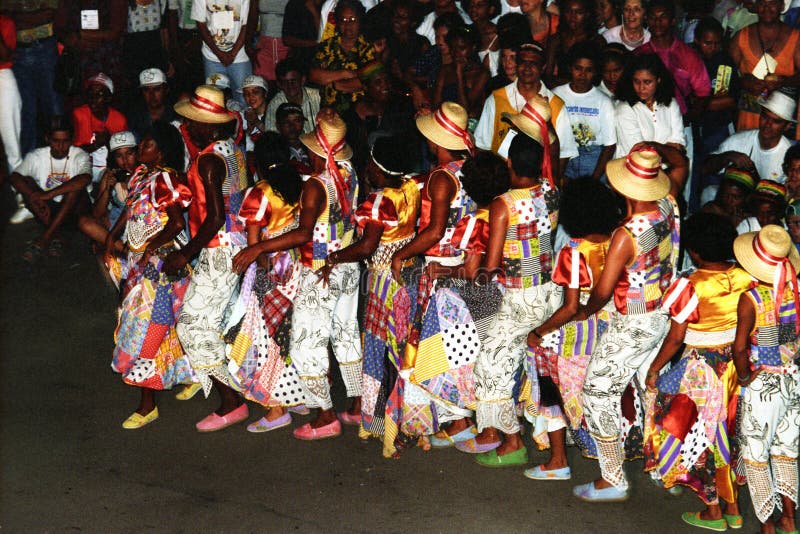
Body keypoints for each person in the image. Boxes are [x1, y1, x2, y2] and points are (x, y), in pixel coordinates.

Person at [232, 113, 363, 441]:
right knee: (346, 337)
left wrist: (257, 247)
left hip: (321, 271)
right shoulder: (350, 174)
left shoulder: (317, 186)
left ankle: (326, 415)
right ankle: (360, 404)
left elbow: (304, 233)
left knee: (307, 345)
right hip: (348, 266)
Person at [572, 146, 680, 502]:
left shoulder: (626, 235)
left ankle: (613, 477)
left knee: (597, 393)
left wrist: (585, 311)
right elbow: (681, 164)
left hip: (634, 324)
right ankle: (666, 467)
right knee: (651, 389)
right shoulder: (667, 205)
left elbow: (603, 291)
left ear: (622, 188)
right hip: (663, 313)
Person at [644, 213, 749, 531]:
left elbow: (676, 338)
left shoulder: (688, 285)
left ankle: (713, 510)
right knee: (726, 433)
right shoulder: (746, 277)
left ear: (696, 251)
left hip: (700, 371)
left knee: (695, 434)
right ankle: (733, 506)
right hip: (733, 366)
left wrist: (654, 369)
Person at [471, 104, 563, 467]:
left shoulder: (503, 204)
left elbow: (491, 265)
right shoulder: (552, 192)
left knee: (491, 365)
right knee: (526, 363)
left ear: (510, 165)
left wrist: (471, 280)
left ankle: (511, 440)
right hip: (549, 293)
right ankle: (515, 432)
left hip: (518, 298)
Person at [319, 134, 421, 456]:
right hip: (408, 274)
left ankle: (383, 426)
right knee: (403, 346)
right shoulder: (411, 189)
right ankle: (407, 422)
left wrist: (333, 258)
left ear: (376, 169)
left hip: (382, 282)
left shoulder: (378, 202)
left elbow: (367, 246)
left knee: (380, 350)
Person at [389, 102, 479, 445]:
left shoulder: (442, 177)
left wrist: (403, 252)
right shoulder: (470, 167)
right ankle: (457, 415)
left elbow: (436, 229)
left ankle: (457, 419)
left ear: (437, 141)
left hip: (443, 265)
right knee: (456, 343)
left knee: (438, 344)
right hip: (466, 263)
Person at [522, 177, 623, 480]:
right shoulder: (619, 242)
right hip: (611, 329)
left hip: (577, 333)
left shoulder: (573, 251)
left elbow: (570, 308)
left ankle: (557, 460)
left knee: (551, 385)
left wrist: (538, 332)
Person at [168, 85, 250, 431]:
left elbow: (215, 216)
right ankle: (235, 389)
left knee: (192, 325)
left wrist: (187, 252)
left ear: (207, 125)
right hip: (234, 242)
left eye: (192, 120)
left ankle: (231, 401)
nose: (187, 124)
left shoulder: (210, 160)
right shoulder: (232, 150)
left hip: (219, 247)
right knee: (213, 321)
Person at [108, 121, 195, 429]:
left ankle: (148, 406)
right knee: (164, 330)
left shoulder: (165, 179)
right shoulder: (141, 177)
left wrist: (151, 247)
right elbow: (131, 213)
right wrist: (113, 236)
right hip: (138, 263)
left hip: (160, 268)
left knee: (148, 334)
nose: (139, 150)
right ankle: (189, 374)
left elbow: (176, 224)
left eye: (147, 145)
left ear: (161, 152)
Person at [225, 132, 306, 433]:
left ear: (257, 162)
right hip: (295, 265)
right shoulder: (296, 182)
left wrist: (261, 281)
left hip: (271, 268)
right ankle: (295, 394)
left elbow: (255, 243)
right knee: (288, 332)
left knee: (265, 336)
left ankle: (276, 408)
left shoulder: (260, 193)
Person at [732, 224, 800, 534]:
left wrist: (745, 377)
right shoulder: (795, 289)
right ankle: (788, 518)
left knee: (756, 453)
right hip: (794, 378)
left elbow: (740, 347)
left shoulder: (752, 298)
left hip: (765, 385)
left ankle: (767, 526)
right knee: (786, 449)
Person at [473, 41, 578, 178]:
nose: (527, 68)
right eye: (523, 62)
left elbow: (563, 154)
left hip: (539, 185)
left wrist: (552, 188)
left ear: (543, 67)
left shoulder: (556, 105)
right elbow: (482, 146)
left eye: (533, 63)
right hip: (500, 181)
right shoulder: (496, 99)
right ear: (517, 65)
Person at [9, 116, 90, 262]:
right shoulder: (37, 155)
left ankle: (45, 237)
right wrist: (33, 194)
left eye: (65, 141)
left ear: (71, 140)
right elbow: (15, 177)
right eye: (56, 141)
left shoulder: (79, 154)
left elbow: (85, 179)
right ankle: (59, 236)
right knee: (26, 181)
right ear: (47, 139)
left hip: (75, 209)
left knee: (76, 187)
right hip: (47, 210)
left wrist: (49, 194)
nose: (60, 146)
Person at [691, 17, 741, 212]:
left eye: (717, 43)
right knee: (693, 174)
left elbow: (731, 99)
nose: (712, 48)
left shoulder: (725, 62)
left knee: (714, 176)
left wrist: (703, 104)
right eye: (707, 43)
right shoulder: (689, 59)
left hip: (717, 128)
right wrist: (710, 104)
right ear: (696, 40)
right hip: (693, 128)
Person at [729, 0, 800, 135]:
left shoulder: (796, 38)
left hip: (781, 116)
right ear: (756, 7)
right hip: (750, 113)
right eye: (762, 3)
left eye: (772, 3)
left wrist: (784, 82)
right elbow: (726, 77)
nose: (767, 8)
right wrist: (743, 82)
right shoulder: (741, 37)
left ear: (782, 6)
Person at [4, 0, 62, 156]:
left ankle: (60, 162)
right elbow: (4, 17)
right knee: (25, 113)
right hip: (16, 51)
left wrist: (17, 19)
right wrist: (32, 17)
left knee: (54, 108)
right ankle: (28, 167)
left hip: (45, 48)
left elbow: (49, 14)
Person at [553, 42, 617, 180]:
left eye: (588, 70)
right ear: (570, 68)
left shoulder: (603, 102)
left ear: (595, 72)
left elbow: (609, 146)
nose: (582, 75)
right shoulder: (556, 95)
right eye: (578, 68)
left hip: (593, 158)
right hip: (563, 156)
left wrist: (594, 180)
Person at [703, 91, 796, 186]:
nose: (768, 124)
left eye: (776, 121)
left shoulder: (789, 156)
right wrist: (726, 156)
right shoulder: (738, 140)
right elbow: (704, 169)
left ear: (787, 126)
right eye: (765, 116)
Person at [78, 131, 138, 260]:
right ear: (113, 158)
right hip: (115, 220)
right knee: (85, 222)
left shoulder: (144, 171)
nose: (125, 160)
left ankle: (108, 244)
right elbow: (97, 214)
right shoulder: (110, 174)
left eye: (129, 154)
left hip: (138, 220)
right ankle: (124, 250)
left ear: (137, 153)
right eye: (119, 156)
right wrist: (108, 190)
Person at [613, 53, 686, 158]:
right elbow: (638, 152)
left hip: (668, 170)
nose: (641, 88)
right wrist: (669, 150)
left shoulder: (671, 103)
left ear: (659, 80)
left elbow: (679, 143)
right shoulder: (624, 109)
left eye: (647, 82)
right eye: (636, 81)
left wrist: (656, 149)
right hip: (632, 171)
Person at [310, 0, 376, 114]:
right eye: (343, 20)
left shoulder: (370, 47)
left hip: (360, 114)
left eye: (353, 20)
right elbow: (314, 75)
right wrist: (345, 73)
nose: (348, 25)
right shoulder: (327, 46)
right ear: (337, 22)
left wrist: (334, 83)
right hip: (330, 114)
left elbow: (368, 83)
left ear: (360, 20)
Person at [71, 73, 130, 184]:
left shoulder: (118, 119)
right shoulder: (80, 115)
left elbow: (122, 154)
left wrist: (108, 141)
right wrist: (97, 144)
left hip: (107, 169)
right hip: (81, 169)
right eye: (90, 94)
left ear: (108, 98)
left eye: (99, 94)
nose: (93, 98)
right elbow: (75, 154)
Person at [192, 0, 253, 102]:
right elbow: (200, 24)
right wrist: (218, 53)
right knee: (214, 100)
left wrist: (233, 54)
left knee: (244, 99)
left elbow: (246, 25)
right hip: (211, 56)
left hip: (239, 55)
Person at [433, 25, 490, 122]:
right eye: (452, 48)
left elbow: (464, 110)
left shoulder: (481, 74)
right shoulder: (445, 71)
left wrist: (459, 76)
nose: (456, 53)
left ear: (473, 48)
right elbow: (436, 104)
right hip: (445, 121)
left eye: (461, 48)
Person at [543, 0, 604, 88]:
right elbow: (547, 75)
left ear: (587, 14)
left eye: (579, 12)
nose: (573, 16)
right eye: (568, 11)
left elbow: (598, 78)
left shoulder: (597, 41)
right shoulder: (556, 39)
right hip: (560, 89)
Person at [264, 59, 322, 134]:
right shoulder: (274, 105)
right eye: (285, 82)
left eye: (293, 81)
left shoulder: (318, 97)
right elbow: (271, 137)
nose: (289, 86)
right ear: (279, 84)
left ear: (302, 80)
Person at [127, 69, 177, 140]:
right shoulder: (135, 116)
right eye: (146, 90)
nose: (151, 95)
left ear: (166, 90)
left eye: (157, 89)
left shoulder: (175, 114)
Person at [253, 0, 290, 80]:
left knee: (286, 82)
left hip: (288, 45)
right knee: (263, 83)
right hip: (263, 44)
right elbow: (253, 15)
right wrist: (248, 45)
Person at [275, 103, 312, 171]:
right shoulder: (274, 152)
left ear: (303, 123)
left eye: (297, 121)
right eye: (286, 122)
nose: (292, 126)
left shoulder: (313, 148)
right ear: (278, 126)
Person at [239, 74, 269, 151]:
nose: (251, 96)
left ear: (265, 93)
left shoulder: (273, 111)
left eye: (255, 92)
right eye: (246, 94)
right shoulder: (242, 115)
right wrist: (249, 129)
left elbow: (276, 138)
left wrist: (256, 121)